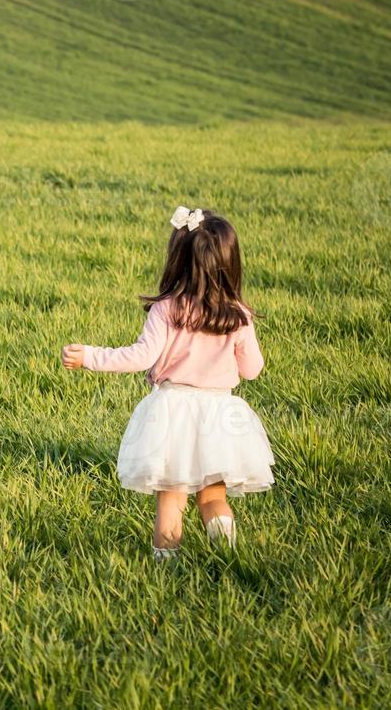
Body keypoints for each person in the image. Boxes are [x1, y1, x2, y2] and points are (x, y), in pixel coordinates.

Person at [62, 206, 273, 559]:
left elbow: (141, 357)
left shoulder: (168, 309)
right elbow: (252, 370)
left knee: (171, 498)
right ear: (229, 264)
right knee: (213, 496)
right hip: (220, 417)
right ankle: (229, 558)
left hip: (172, 413)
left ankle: (166, 568)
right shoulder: (238, 316)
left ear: (178, 260)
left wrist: (90, 357)